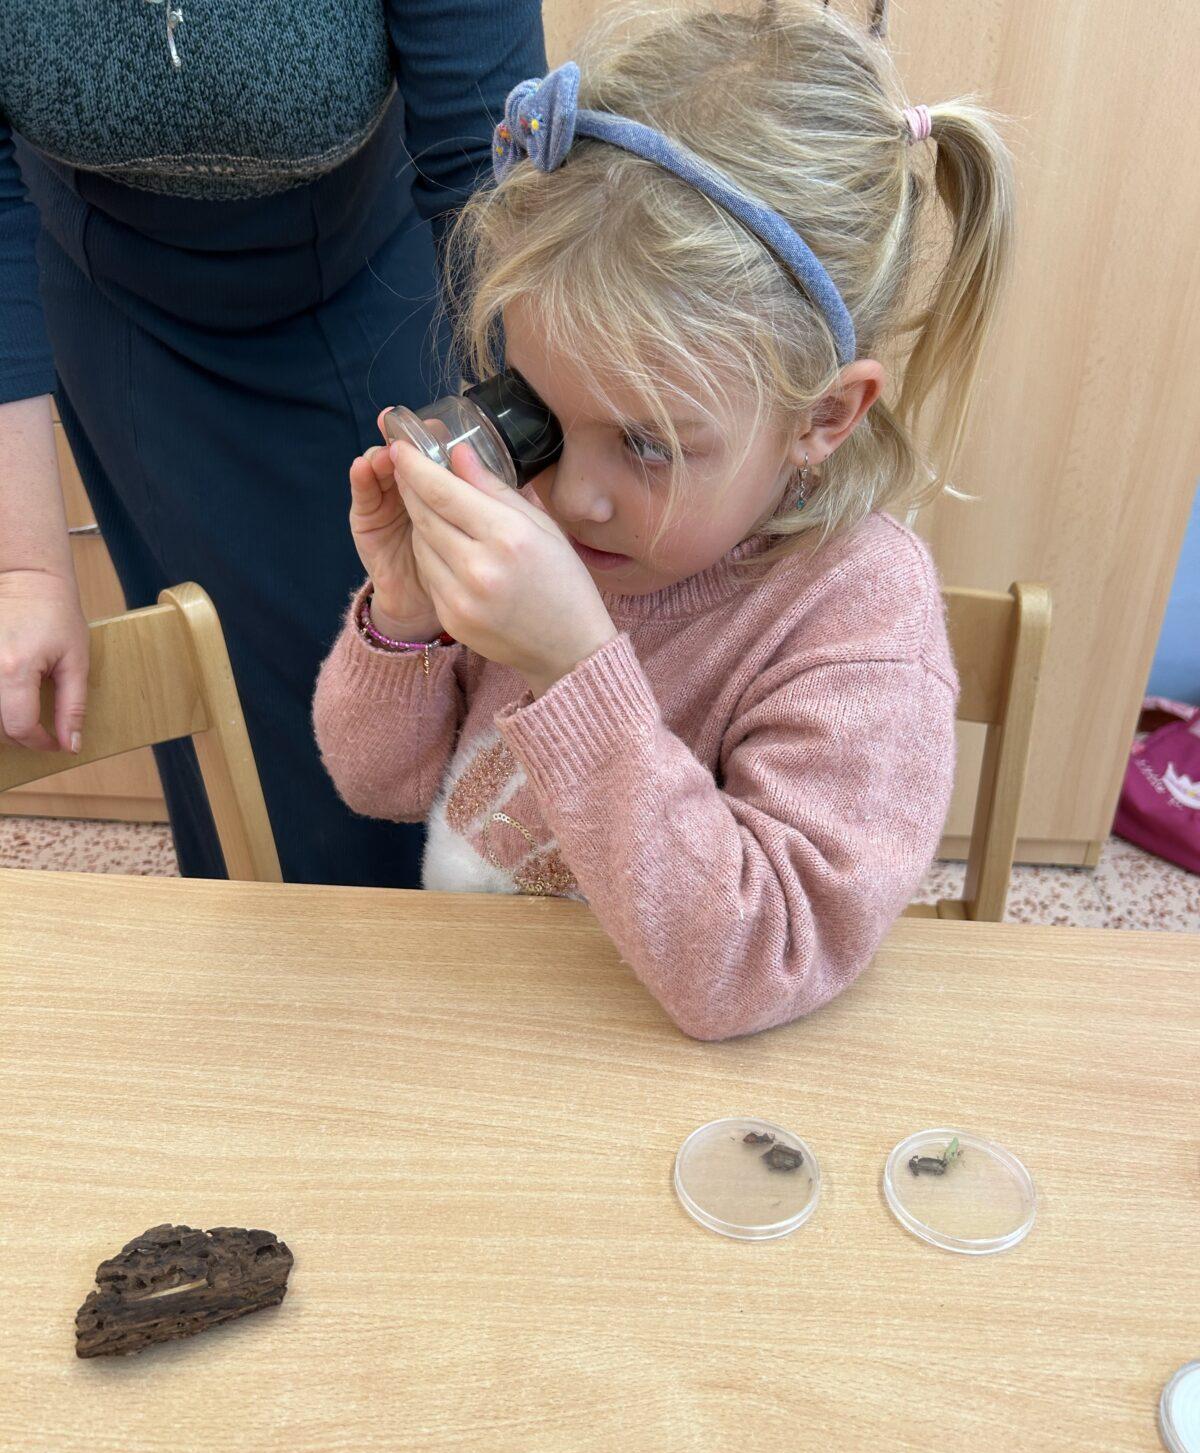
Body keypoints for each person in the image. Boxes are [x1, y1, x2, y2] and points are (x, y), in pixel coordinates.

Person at [312, 0, 1015, 1039]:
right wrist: (408, 620)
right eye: (538, 414)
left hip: (679, 1091)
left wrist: (575, 668)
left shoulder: (856, 616)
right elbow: (381, 784)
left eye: (645, 444)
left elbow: (761, 962)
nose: (571, 497)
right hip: (488, 1032)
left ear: (823, 417)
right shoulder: (550, 518)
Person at [0, 0, 546, 885]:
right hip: (121, 296)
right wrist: (23, 570)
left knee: (427, 660)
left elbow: (482, 166)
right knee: (242, 722)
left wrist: (539, 459)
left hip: (374, 267)